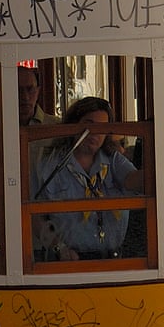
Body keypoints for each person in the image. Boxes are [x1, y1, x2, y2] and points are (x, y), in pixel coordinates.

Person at [32, 96, 142, 261]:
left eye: (102, 128)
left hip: (113, 261)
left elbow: (134, 180)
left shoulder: (113, 160)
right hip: (68, 262)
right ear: (74, 124)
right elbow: (34, 217)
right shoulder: (49, 166)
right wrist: (58, 247)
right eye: (89, 124)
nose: (95, 133)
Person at [0, 65, 57, 222]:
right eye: (17, 90)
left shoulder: (58, 129)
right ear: (4, 92)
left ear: (38, 92)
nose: (24, 97)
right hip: (5, 225)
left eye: (29, 89)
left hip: (52, 223)